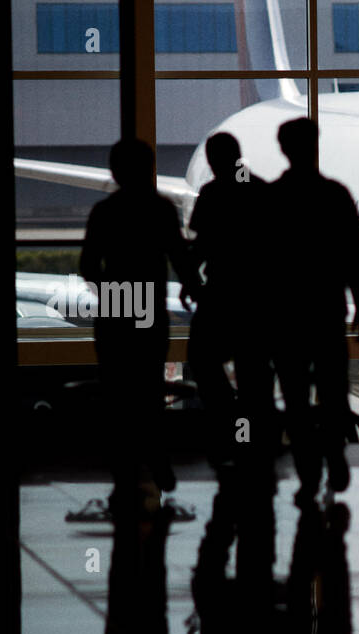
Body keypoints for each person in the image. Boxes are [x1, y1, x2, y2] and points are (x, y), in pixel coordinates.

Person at [80, 138, 200, 505]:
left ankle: (125, 466)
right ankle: (157, 458)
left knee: (118, 390)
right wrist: (194, 288)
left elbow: (88, 266)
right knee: (149, 387)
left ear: (114, 172)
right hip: (148, 304)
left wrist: (114, 292)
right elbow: (179, 257)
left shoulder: (105, 211)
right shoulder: (160, 210)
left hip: (117, 306)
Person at [269, 118, 359, 505]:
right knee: (333, 395)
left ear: (284, 149)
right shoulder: (336, 196)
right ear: (315, 146)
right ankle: (336, 457)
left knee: (295, 401)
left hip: (286, 318)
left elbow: (262, 264)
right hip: (327, 314)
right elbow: (355, 256)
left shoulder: (273, 198)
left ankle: (309, 474)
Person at [187, 132, 273, 472]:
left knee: (202, 358)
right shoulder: (261, 189)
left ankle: (229, 422)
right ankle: (254, 437)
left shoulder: (212, 193)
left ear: (212, 160)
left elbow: (202, 244)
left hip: (222, 294)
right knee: (255, 371)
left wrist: (191, 279)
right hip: (257, 298)